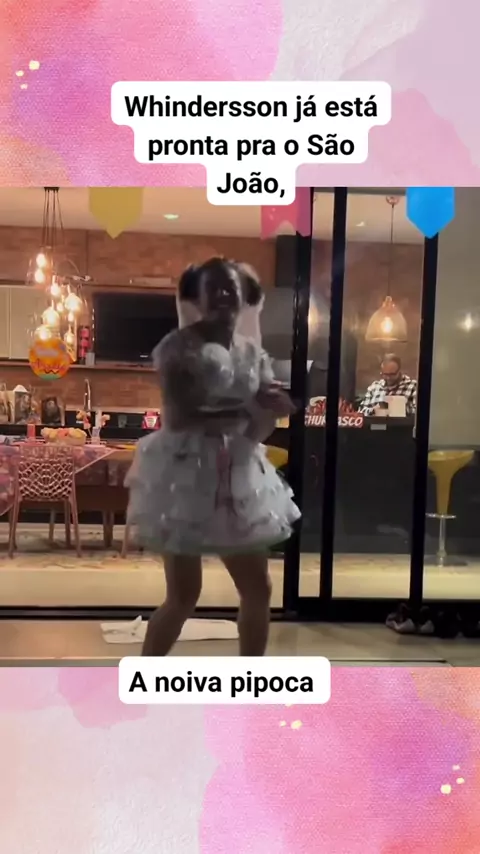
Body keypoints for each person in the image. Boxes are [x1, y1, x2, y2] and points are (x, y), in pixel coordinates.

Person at [125, 257, 300, 657]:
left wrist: (275, 407)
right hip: (185, 474)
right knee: (184, 595)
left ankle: (248, 680)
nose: (223, 294)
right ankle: (143, 678)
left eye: (230, 287)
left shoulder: (252, 353)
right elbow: (178, 417)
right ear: (197, 298)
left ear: (243, 296)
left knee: (258, 588)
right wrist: (249, 409)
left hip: (238, 474)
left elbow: (260, 423)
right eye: (213, 287)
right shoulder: (176, 347)